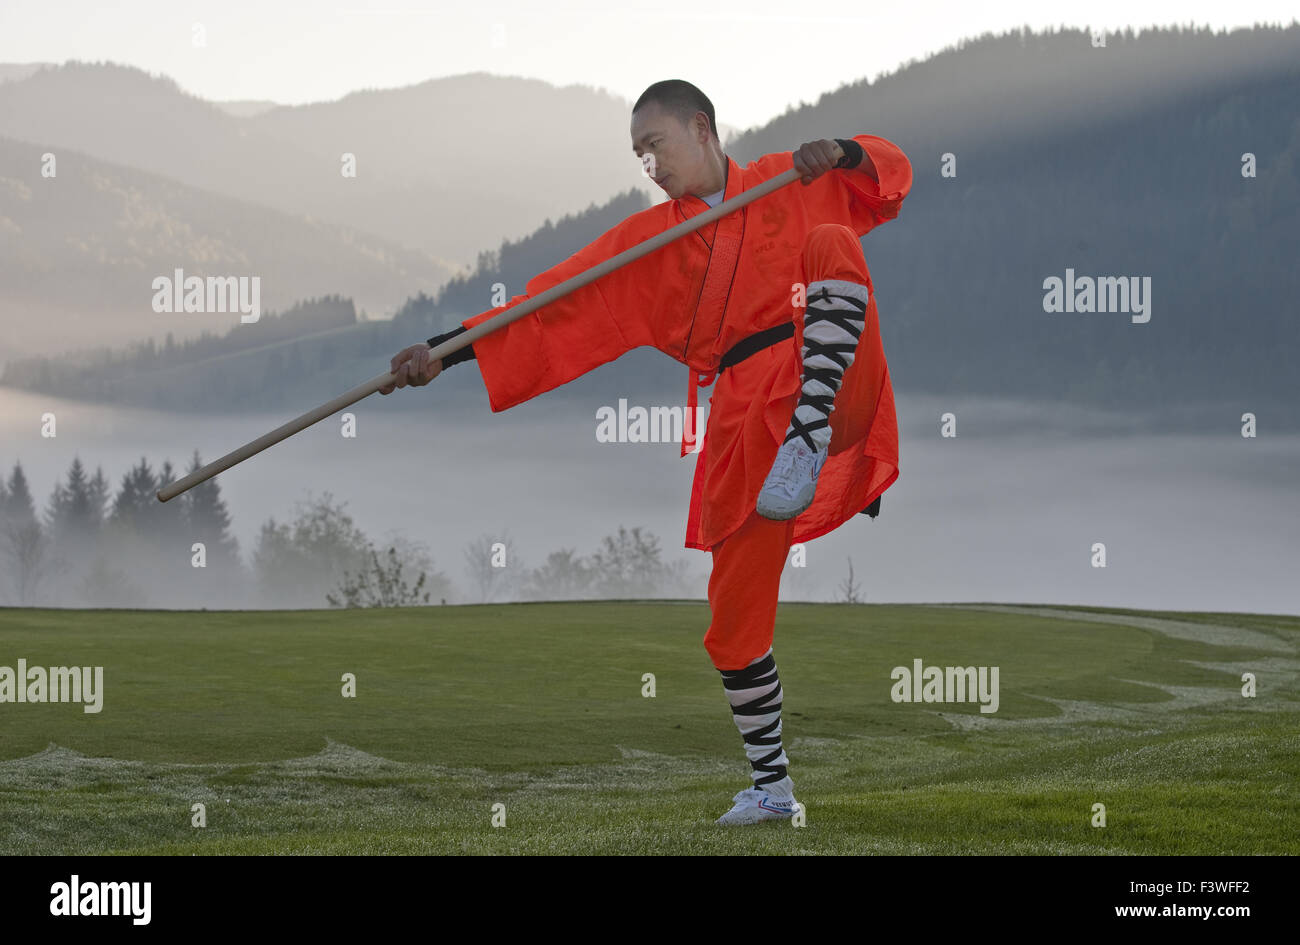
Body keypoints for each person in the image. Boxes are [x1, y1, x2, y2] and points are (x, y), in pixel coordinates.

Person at [382, 79, 911, 825]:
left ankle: (810, 427)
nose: (649, 167)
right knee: (731, 627)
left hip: (831, 370)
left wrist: (844, 150)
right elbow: (551, 302)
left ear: (702, 130)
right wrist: (444, 350)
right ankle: (773, 790)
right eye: (638, 157)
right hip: (743, 428)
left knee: (831, 242)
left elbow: (890, 174)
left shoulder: (790, 178)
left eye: (654, 147)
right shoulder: (649, 242)